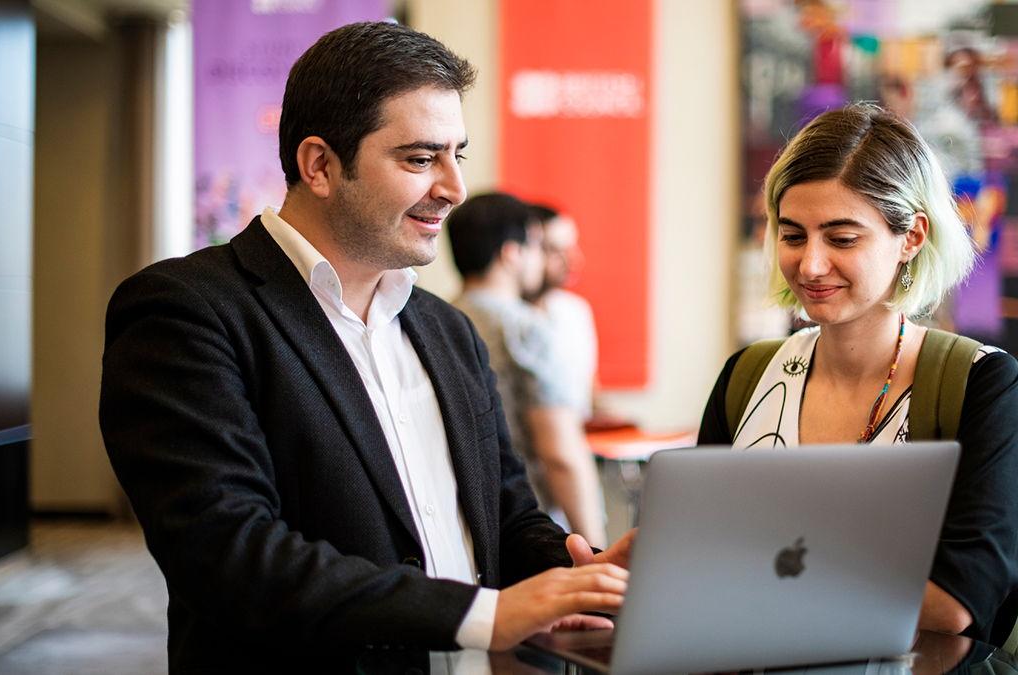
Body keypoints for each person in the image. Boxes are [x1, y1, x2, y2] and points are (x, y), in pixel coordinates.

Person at [99, 22, 632, 674]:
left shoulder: (447, 329)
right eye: (420, 159)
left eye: (457, 155)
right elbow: (230, 555)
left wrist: (583, 573)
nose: (454, 188)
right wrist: (482, 615)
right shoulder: (186, 311)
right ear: (319, 165)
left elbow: (507, 515)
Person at [698, 104, 1018, 651]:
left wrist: (753, 575)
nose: (810, 265)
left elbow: (958, 603)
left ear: (911, 237)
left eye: (842, 238)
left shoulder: (980, 382)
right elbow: (696, 554)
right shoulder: (748, 376)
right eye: (793, 236)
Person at [449, 193, 607, 548]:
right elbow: (561, 454)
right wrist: (596, 550)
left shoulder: (439, 322)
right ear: (511, 253)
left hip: (465, 521)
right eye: (536, 246)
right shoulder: (526, 329)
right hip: (530, 524)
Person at [525, 203, 599, 422]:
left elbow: (590, 393)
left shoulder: (576, 311)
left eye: (572, 247)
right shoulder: (510, 320)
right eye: (555, 250)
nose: (572, 261)